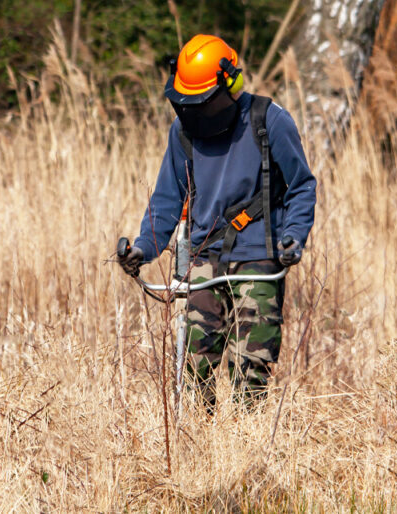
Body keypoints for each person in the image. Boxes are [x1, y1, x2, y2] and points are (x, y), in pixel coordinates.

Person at [118, 34, 316, 407]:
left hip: (258, 258)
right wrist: (143, 249)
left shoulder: (269, 121)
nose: (196, 112)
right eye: (188, 104)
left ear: (231, 85)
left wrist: (293, 236)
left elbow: (301, 186)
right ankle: (198, 450)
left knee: (251, 372)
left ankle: (246, 451)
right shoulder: (183, 133)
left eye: (203, 104)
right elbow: (165, 202)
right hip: (202, 259)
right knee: (193, 369)